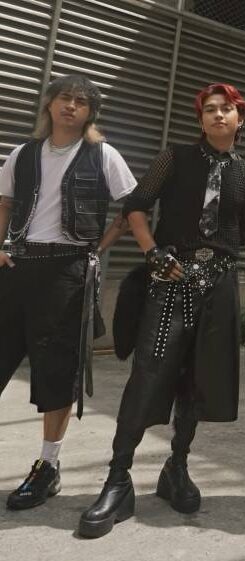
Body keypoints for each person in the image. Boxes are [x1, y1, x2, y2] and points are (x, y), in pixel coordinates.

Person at [78, 83, 245, 538]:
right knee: (150, 372)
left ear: (239, 119)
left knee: (200, 378)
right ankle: (118, 479)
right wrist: (154, 253)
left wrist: (213, 257)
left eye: (226, 109)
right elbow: (136, 206)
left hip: (218, 286)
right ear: (201, 119)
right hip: (170, 279)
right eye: (209, 109)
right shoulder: (174, 158)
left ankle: (176, 467)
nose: (218, 115)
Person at [0, 74, 137, 510]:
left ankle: (48, 465)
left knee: (56, 372)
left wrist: (98, 248)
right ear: (49, 104)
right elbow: (4, 202)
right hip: (18, 266)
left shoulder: (103, 155)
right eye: (64, 97)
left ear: (90, 112)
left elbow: (133, 205)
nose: (71, 106)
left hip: (68, 272)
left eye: (81, 101)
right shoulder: (23, 154)